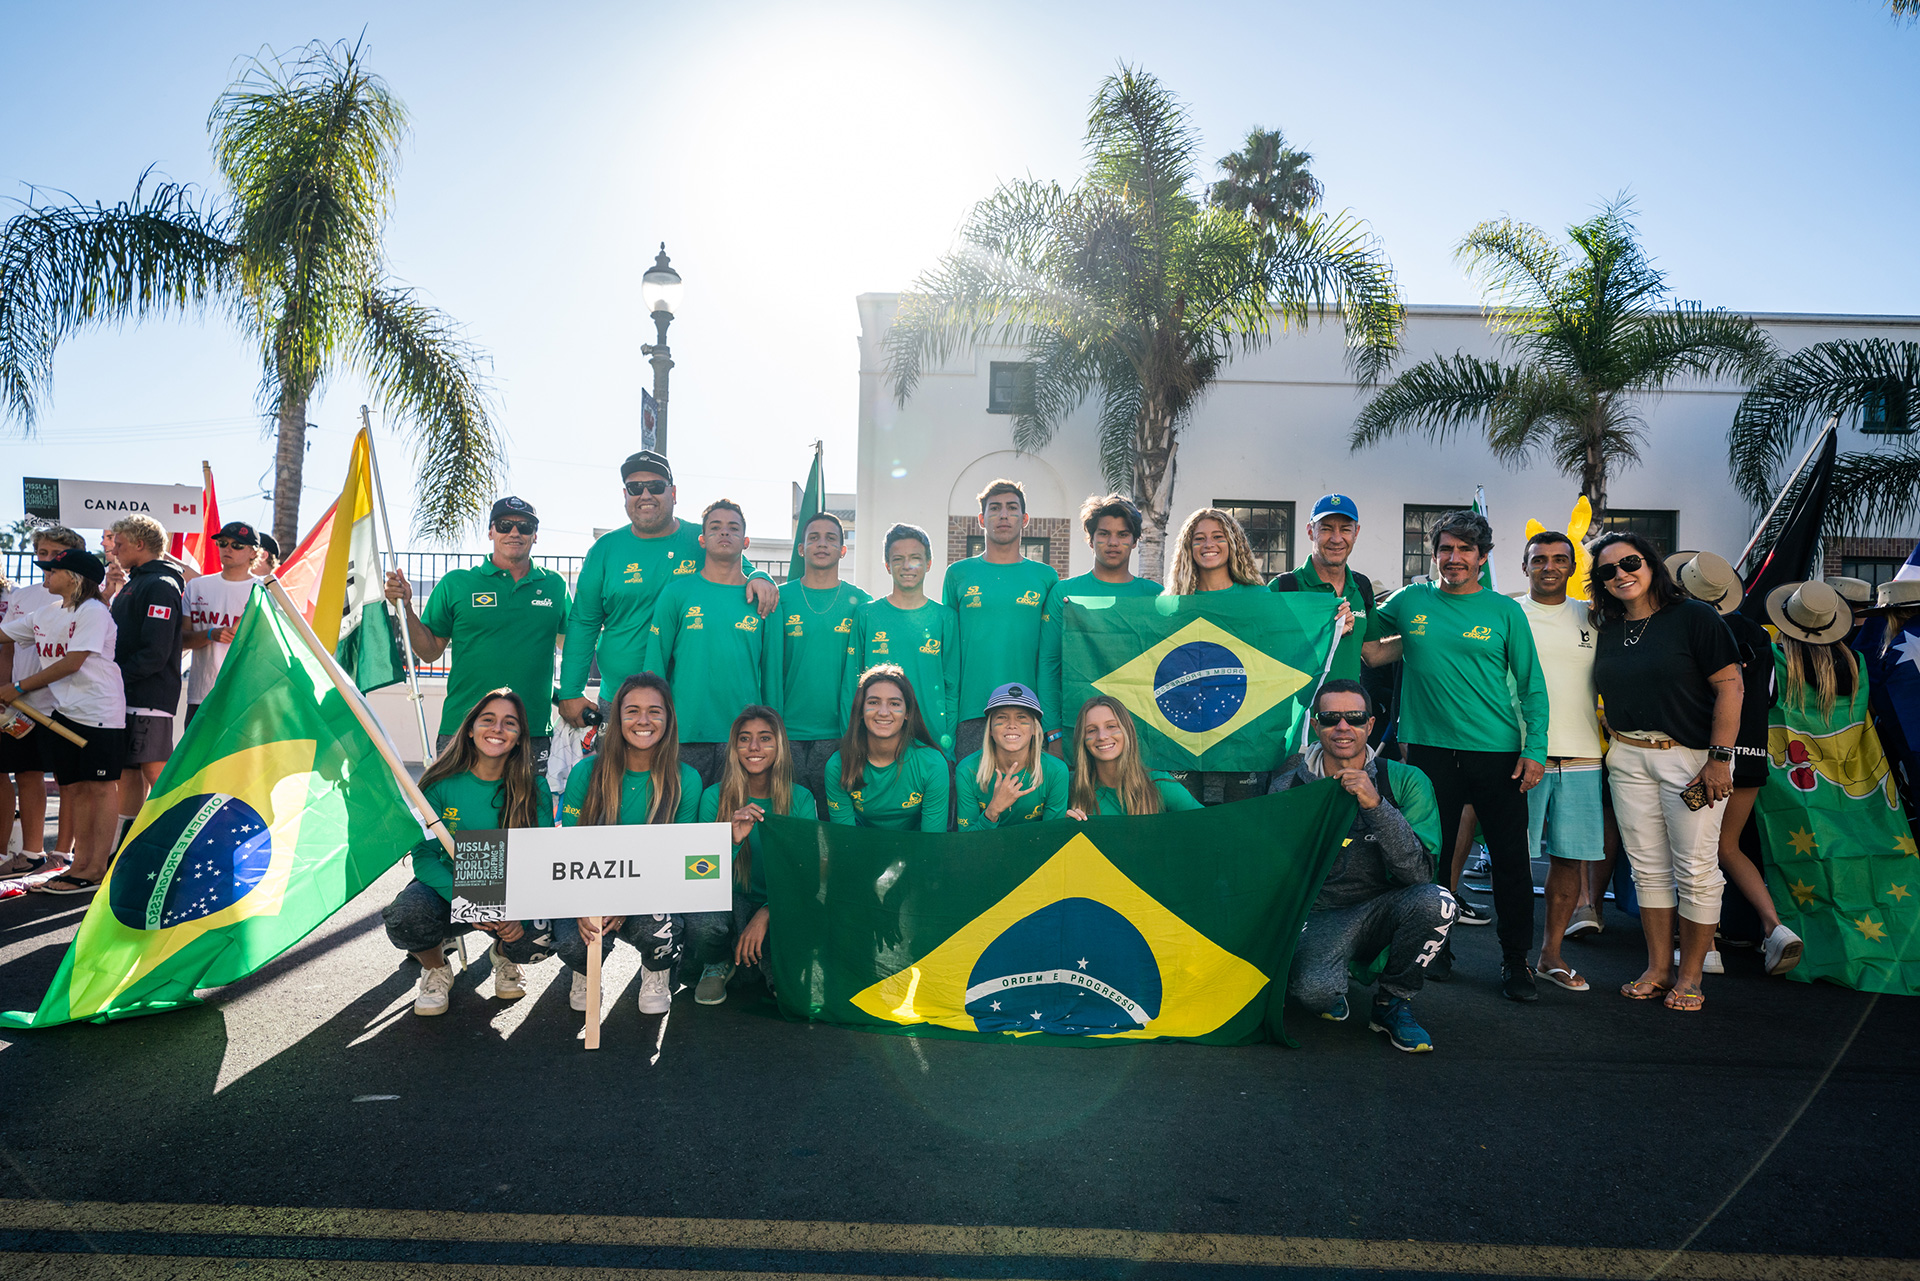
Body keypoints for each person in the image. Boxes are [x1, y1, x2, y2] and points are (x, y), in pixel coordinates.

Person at [1361, 509, 1548, 1001]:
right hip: (1428, 752)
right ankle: (1435, 946)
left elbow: (1532, 687)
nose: (1454, 558)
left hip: (1497, 752)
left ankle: (1515, 963)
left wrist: (1536, 749)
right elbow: (1363, 638)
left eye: (1466, 549)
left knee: (1510, 861)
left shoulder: (1505, 611)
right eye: (1446, 548)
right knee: (1432, 857)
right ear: (1434, 553)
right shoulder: (1410, 600)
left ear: (1483, 558)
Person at [1588, 533, 1743, 1012]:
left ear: (1652, 564)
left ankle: (1691, 976)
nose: (1620, 574)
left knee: (1696, 869)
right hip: (1628, 756)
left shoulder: (1694, 617)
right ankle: (1658, 969)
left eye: (1629, 562)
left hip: (1692, 758)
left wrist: (1719, 758)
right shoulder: (1607, 626)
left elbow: (1731, 687)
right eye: (1607, 571)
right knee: (1647, 870)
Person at [1269, 679, 1452, 1052]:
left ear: (1369, 725)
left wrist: (1376, 805)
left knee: (1438, 902)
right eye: (1330, 717)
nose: (1342, 727)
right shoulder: (1289, 781)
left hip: (1383, 906)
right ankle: (1329, 978)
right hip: (1319, 914)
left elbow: (1419, 873)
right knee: (1315, 994)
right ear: (1316, 725)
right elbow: (1272, 867)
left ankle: (1393, 1002)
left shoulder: (1405, 780)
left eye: (1354, 718)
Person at [557, 451, 775, 729]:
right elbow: (583, 623)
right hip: (622, 699)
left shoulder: (702, 538)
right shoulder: (605, 549)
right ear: (625, 494)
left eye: (656, 486)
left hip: (690, 699)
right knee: (619, 773)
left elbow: (743, 570)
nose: (645, 494)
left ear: (673, 493)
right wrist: (571, 691)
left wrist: (761, 575)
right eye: (636, 488)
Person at [380, 689, 557, 1016]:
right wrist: (467, 899)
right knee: (406, 915)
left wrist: (516, 912)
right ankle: (436, 968)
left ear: (519, 737)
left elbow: (540, 862)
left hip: (509, 892)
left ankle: (503, 954)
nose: (497, 729)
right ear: (471, 729)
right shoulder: (439, 783)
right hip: (449, 889)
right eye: (488, 720)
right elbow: (424, 856)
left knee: (545, 931)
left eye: (509, 723)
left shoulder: (535, 790)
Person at [1667, 552, 1799, 977]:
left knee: (1694, 852)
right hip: (1753, 755)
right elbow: (1771, 697)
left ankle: (1705, 949)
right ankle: (1774, 927)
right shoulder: (1758, 635)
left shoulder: (1691, 628)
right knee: (1727, 847)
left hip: (1708, 754)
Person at [385, 497, 570, 772]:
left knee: (524, 814)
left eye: (525, 526)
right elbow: (429, 651)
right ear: (491, 531)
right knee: (455, 813)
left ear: (535, 535)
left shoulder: (554, 585)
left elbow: (574, 648)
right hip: (463, 728)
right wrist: (407, 609)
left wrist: (570, 696)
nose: (515, 533)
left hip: (530, 731)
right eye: (505, 525)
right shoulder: (457, 584)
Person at [556, 672, 698, 1015]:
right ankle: (584, 971)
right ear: (617, 718)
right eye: (632, 711)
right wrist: (585, 905)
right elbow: (571, 850)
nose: (643, 720)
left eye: (655, 711)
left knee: (663, 931)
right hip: (593, 889)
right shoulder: (585, 773)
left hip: (652, 893)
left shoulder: (686, 779)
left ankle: (656, 970)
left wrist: (628, 899)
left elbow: (679, 860)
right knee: (572, 942)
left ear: (669, 718)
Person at [0, 548, 124, 893]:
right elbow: (4, 634)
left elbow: (73, 662)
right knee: (75, 790)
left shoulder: (94, 611)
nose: (46, 574)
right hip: (63, 713)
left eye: (53, 570)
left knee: (98, 789)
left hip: (98, 713)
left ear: (73, 577)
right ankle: (79, 864)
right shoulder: (48, 612)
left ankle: (96, 868)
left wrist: (18, 687)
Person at [1517, 531, 1604, 993]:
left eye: (1558, 559)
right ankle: (1512, 959)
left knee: (1569, 861)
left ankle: (1551, 955)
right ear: (1524, 565)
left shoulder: (1594, 616)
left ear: (1573, 567)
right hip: (1523, 756)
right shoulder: (1508, 613)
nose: (1549, 566)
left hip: (1584, 757)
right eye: (1539, 559)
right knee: (1514, 861)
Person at [643, 500, 782, 786]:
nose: (724, 533)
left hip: (744, 739)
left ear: (745, 541)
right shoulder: (676, 594)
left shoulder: (764, 600)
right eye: (715, 527)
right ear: (702, 540)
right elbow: (654, 671)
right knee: (681, 823)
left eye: (733, 528)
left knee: (736, 824)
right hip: (684, 735)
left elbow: (772, 679)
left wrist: (773, 736)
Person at [697, 706, 818, 1005]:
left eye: (765, 738)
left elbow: (806, 873)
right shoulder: (714, 795)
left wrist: (767, 912)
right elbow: (698, 874)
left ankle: (769, 968)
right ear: (734, 747)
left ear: (779, 746)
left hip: (780, 904)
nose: (753, 747)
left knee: (796, 992)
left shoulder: (800, 798)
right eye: (744, 739)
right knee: (704, 920)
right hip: (730, 902)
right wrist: (732, 840)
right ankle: (718, 960)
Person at [941, 480, 1059, 760]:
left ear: (1025, 519)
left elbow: (1051, 657)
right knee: (970, 800)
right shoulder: (958, 574)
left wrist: (1052, 727)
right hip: (971, 713)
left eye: (1012, 508)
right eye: (994, 508)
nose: (1003, 515)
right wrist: (948, 721)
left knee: (1026, 801)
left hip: (1028, 712)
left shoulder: (1046, 577)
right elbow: (949, 653)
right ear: (981, 519)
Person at [1037, 494, 1162, 754]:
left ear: (1135, 541)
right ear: (1091, 540)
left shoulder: (1155, 596)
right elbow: (1048, 665)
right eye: (1103, 534)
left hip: (1142, 735)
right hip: (1078, 733)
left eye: (1123, 534)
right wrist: (1053, 732)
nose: (1113, 542)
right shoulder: (1064, 593)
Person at [1165, 507, 1272, 806]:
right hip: (1184, 731)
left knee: (1241, 821)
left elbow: (1285, 647)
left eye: (1217, 536)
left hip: (1245, 730)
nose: (1208, 544)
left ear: (1233, 543)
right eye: (1199, 538)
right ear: (1188, 548)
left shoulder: (1259, 598)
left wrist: (1336, 618)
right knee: (1186, 819)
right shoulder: (1173, 605)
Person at [0, 526, 83, 877]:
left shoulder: (84, 599)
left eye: (54, 554)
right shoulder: (23, 595)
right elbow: (7, 643)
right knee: (25, 772)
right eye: (43, 553)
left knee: (69, 781)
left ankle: (62, 852)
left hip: (64, 703)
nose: (45, 560)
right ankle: (28, 852)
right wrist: (7, 686)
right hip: (21, 702)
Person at [777, 512, 870, 813]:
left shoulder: (862, 603)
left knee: (837, 824)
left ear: (843, 550)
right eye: (813, 537)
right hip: (787, 733)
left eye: (831, 538)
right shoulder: (779, 599)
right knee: (791, 823)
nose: (822, 544)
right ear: (801, 548)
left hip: (840, 735)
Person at [844, 524, 959, 757]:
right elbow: (851, 683)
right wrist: (851, 739)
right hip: (875, 742)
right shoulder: (867, 615)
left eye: (915, 558)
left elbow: (952, 688)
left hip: (931, 743)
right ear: (887, 565)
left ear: (928, 564)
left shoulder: (945, 617)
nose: (907, 566)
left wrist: (948, 742)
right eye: (898, 559)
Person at [106, 514, 186, 847]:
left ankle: (178, 844)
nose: (114, 550)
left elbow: (155, 652)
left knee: (156, 772)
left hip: (149, 696)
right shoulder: (135, 583)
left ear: (140, 544)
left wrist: (112, 679)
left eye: (120, 544)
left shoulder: (160, 585)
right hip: (127, 694)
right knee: (128, 773)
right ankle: (126, 848)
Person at [825, 664, 951, 831]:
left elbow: (932, 841)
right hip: (861, 848)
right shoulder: (838, 766)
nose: (883, 712)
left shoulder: (933, 764)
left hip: (918, 848)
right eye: (874, 702)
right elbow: (846, 841)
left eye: (894, 704)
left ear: (907, 713)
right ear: (861, 711)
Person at [1270, 495, 1375, 682]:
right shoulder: (1283, 589)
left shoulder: (1362, 587)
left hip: (1350, 710)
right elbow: (1263, 658)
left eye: (1345, 529)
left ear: (1356, 533)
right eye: (1326, 529)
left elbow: (1374, 653)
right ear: (1310, 531)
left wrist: (1429, 635)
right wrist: (1326, 633)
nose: (1336, 539)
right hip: (1302, 710)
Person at [1063, 696, 1203, 818]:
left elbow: (1211, 826)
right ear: (1082, 739)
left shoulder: (1160, 785)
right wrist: (1062, 828)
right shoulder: (1067, 785)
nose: (1102, 736)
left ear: (1127, 731)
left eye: (1111, 726)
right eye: (1091, 730)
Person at [954, 682, 1069, 830]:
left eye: (1021, 718)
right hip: (985, 851)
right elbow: (966, 841)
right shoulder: (967, 770)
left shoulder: (1056, 770)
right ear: (990, 729)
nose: (1012, 725)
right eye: (1002, 718)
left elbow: (1053, 835)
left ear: (1034, 728)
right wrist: (992, 811)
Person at [181, 522, 263, 727]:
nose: (228, 548)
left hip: (243, 697)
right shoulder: (197, 586)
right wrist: (210, 634)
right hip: (201, 695)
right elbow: (181, 639)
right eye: (223, 542)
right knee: (194, 758)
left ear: (254, 553)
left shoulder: (263, 591)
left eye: (237, 545)